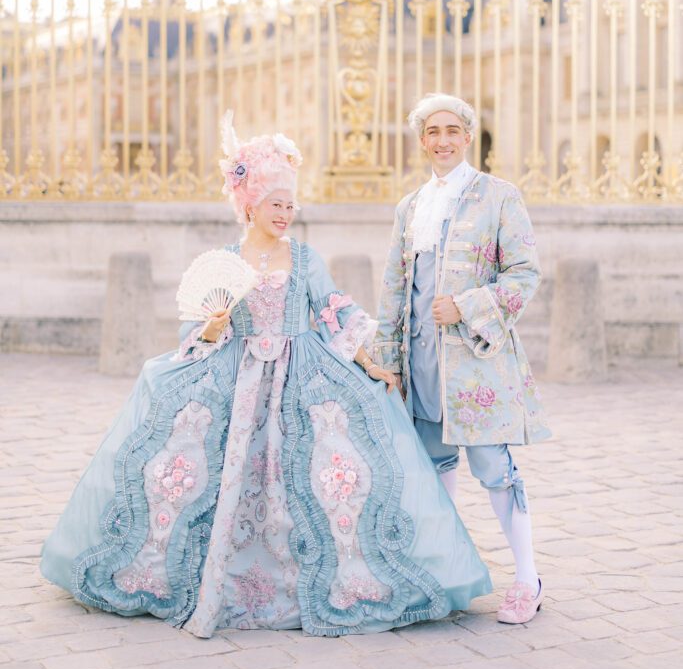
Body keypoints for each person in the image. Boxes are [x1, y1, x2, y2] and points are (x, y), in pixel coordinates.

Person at [41, 116, 491, 637]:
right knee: (181, 464)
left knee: (330, 471)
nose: (285, 214)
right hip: (236, 375)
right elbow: (196, 334)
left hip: (302, 372)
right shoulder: (228, 261)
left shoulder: (304, 257)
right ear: (250, 204)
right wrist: (213, 328)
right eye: (276, 204)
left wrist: (371, 362)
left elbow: (337, 311)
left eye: (290, 205)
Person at [372, 93, 551, 625]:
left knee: (495, 468)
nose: (443, 140)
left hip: (476, 363)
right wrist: (387, 362)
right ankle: (447, 575)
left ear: (468, 135)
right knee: (432, 468)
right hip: (420, 363)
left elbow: (524, 275)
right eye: (433, 132)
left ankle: (527, 578)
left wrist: (468, 305)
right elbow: (392, 289)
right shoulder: (409, 207)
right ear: (422, 140)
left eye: (453, 130)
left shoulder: (499, 196)